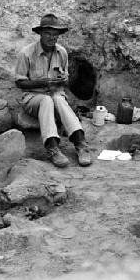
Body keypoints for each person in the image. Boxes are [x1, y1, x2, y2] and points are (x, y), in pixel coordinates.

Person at [14, 13, 92, 168]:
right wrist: (42, 82)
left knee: (57, 99)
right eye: (47, 34)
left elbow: (66, 79)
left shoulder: (61, 52)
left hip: (56, 95)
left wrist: (63, 80)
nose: (51, 38)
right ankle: (52, 148)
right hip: (33, 98)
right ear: (40, 34)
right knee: (46, 100)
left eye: (55, 35)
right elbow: (20, 82)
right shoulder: (26, 54)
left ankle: (80, 144)